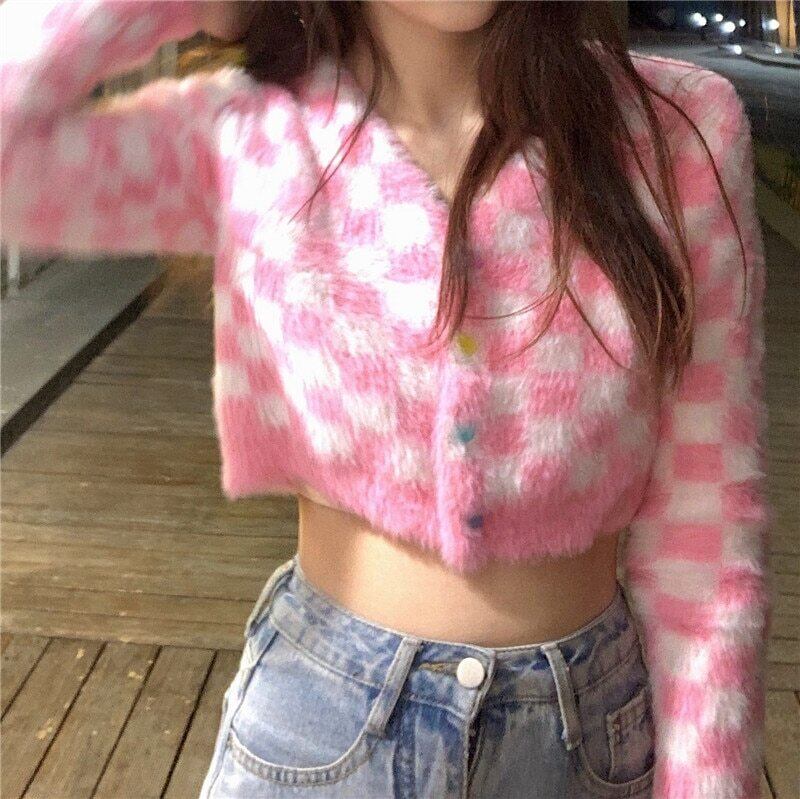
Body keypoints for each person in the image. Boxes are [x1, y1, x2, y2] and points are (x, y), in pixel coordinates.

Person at [0, 2, 772, 798]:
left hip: (592, 745)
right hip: (323, 727)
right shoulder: (251, 135)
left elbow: (708, 532)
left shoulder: (676, 134)